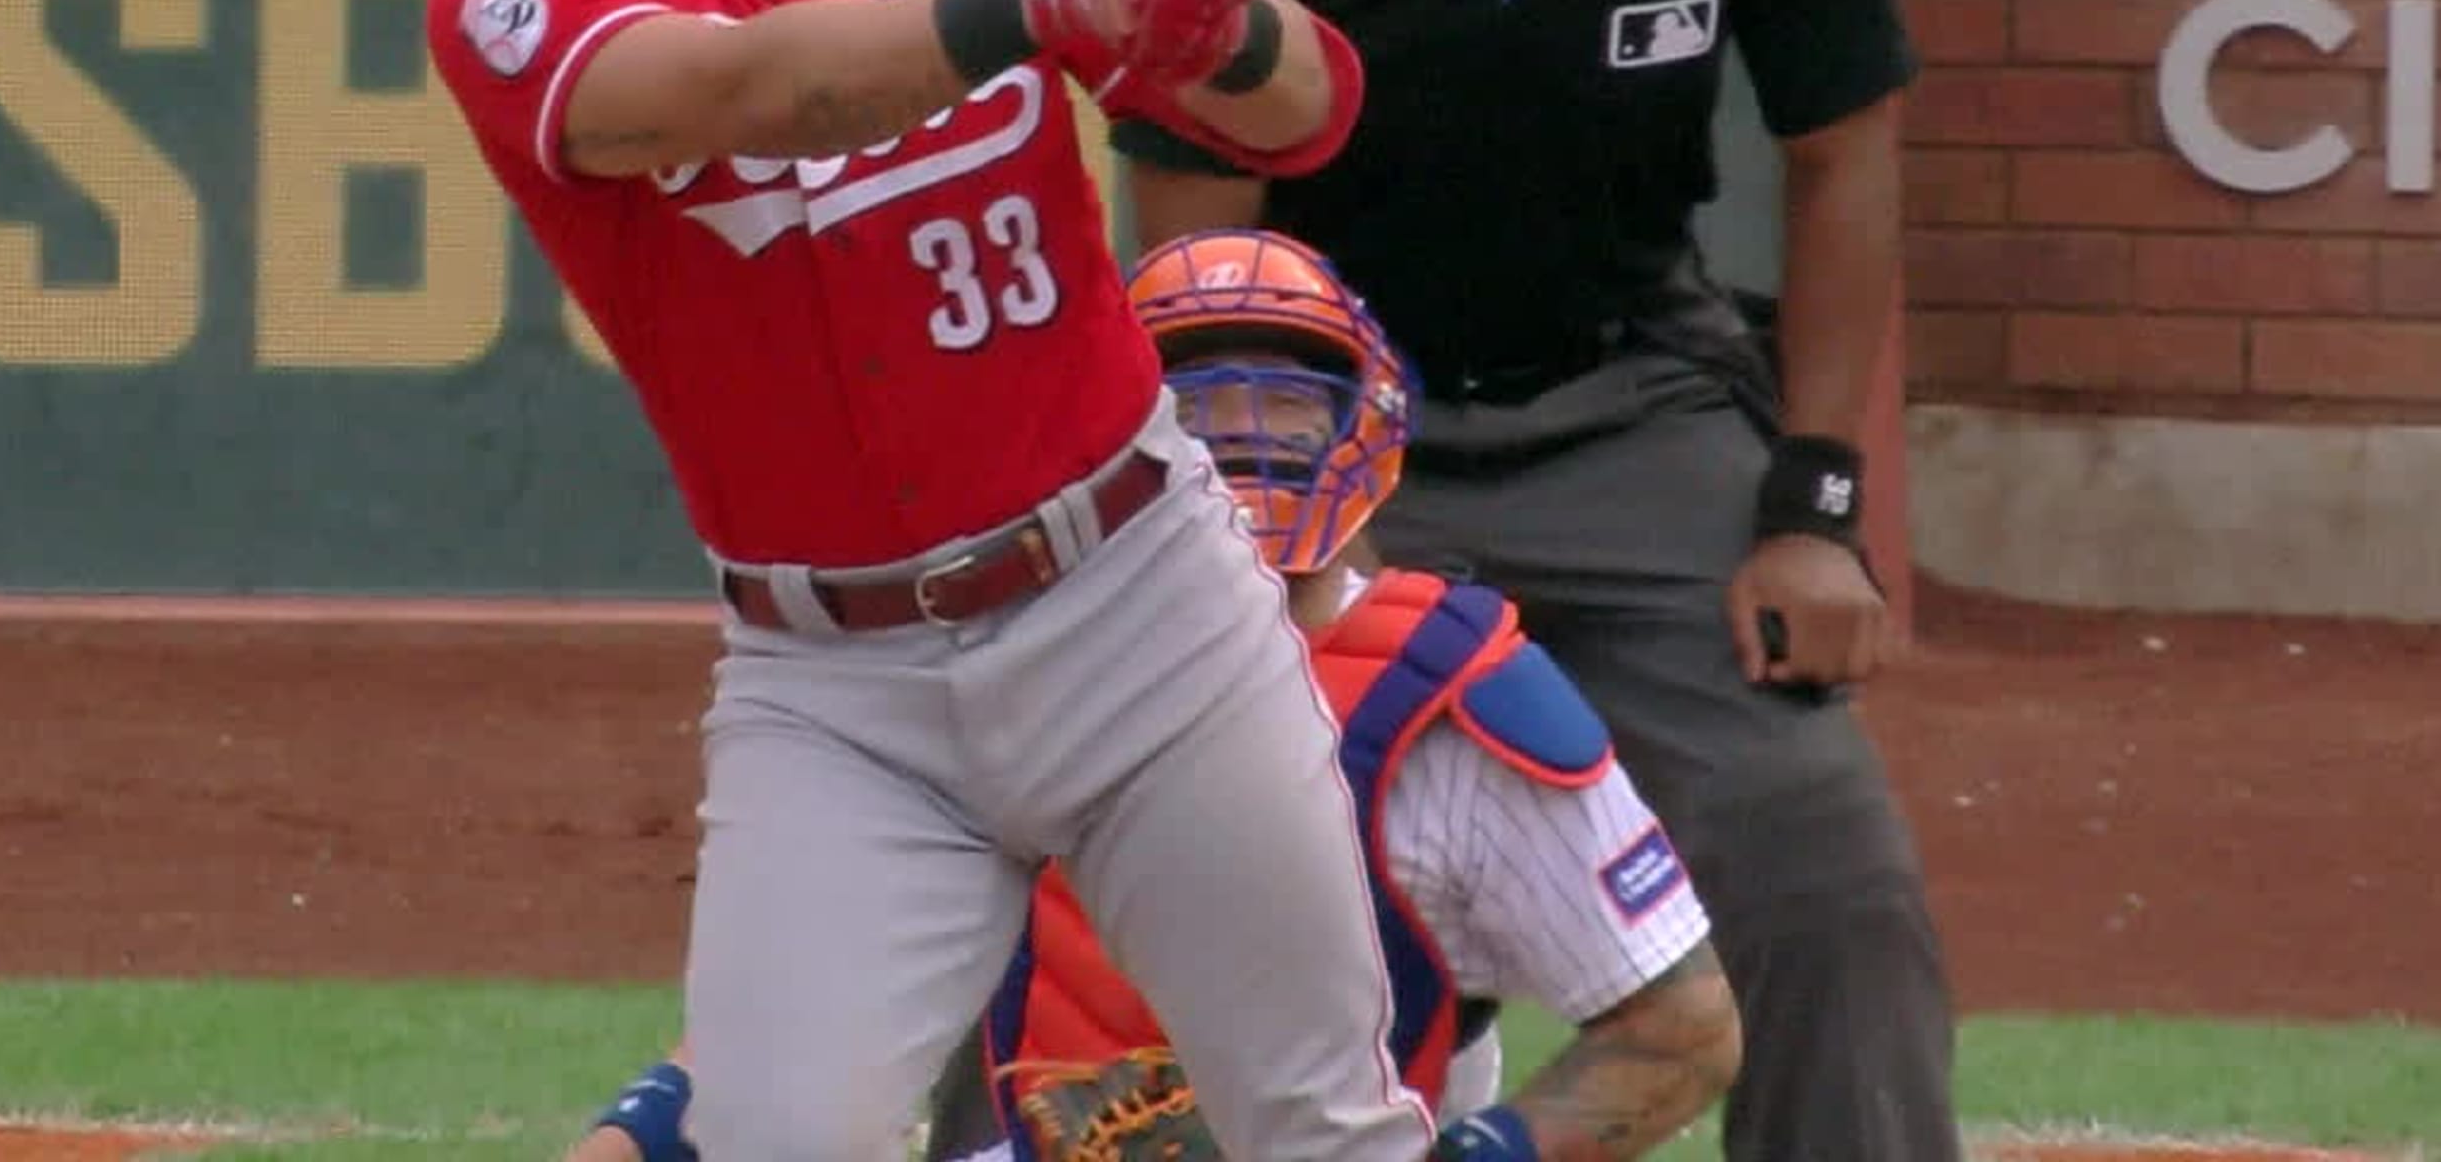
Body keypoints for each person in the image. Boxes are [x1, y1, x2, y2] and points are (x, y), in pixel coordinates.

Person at [428, 0, 1439, 1162]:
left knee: (1322, 1123)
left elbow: (1316, 104)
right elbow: (744, 87)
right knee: (768, 1139)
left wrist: (1217, 20)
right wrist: (1035, 6)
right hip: (838, 686)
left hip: (1140, 605)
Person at [1104, 0, 1966, 1161]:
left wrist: (1815, 503)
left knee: (1824, 866)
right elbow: (1200, 269)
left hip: (1623, 400)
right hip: (1334, 430)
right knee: (1127, 835)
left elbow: (1842, 157)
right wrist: (1243, 543)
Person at [568, 229, 1744, 1162]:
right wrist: (639, 1132)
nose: (1246, 447)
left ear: (1364, 423)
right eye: (1197, 408)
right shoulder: (1000, 661)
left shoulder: (1449, 700)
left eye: (1288, 405)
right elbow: (810, 1011)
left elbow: (1680, 1025)